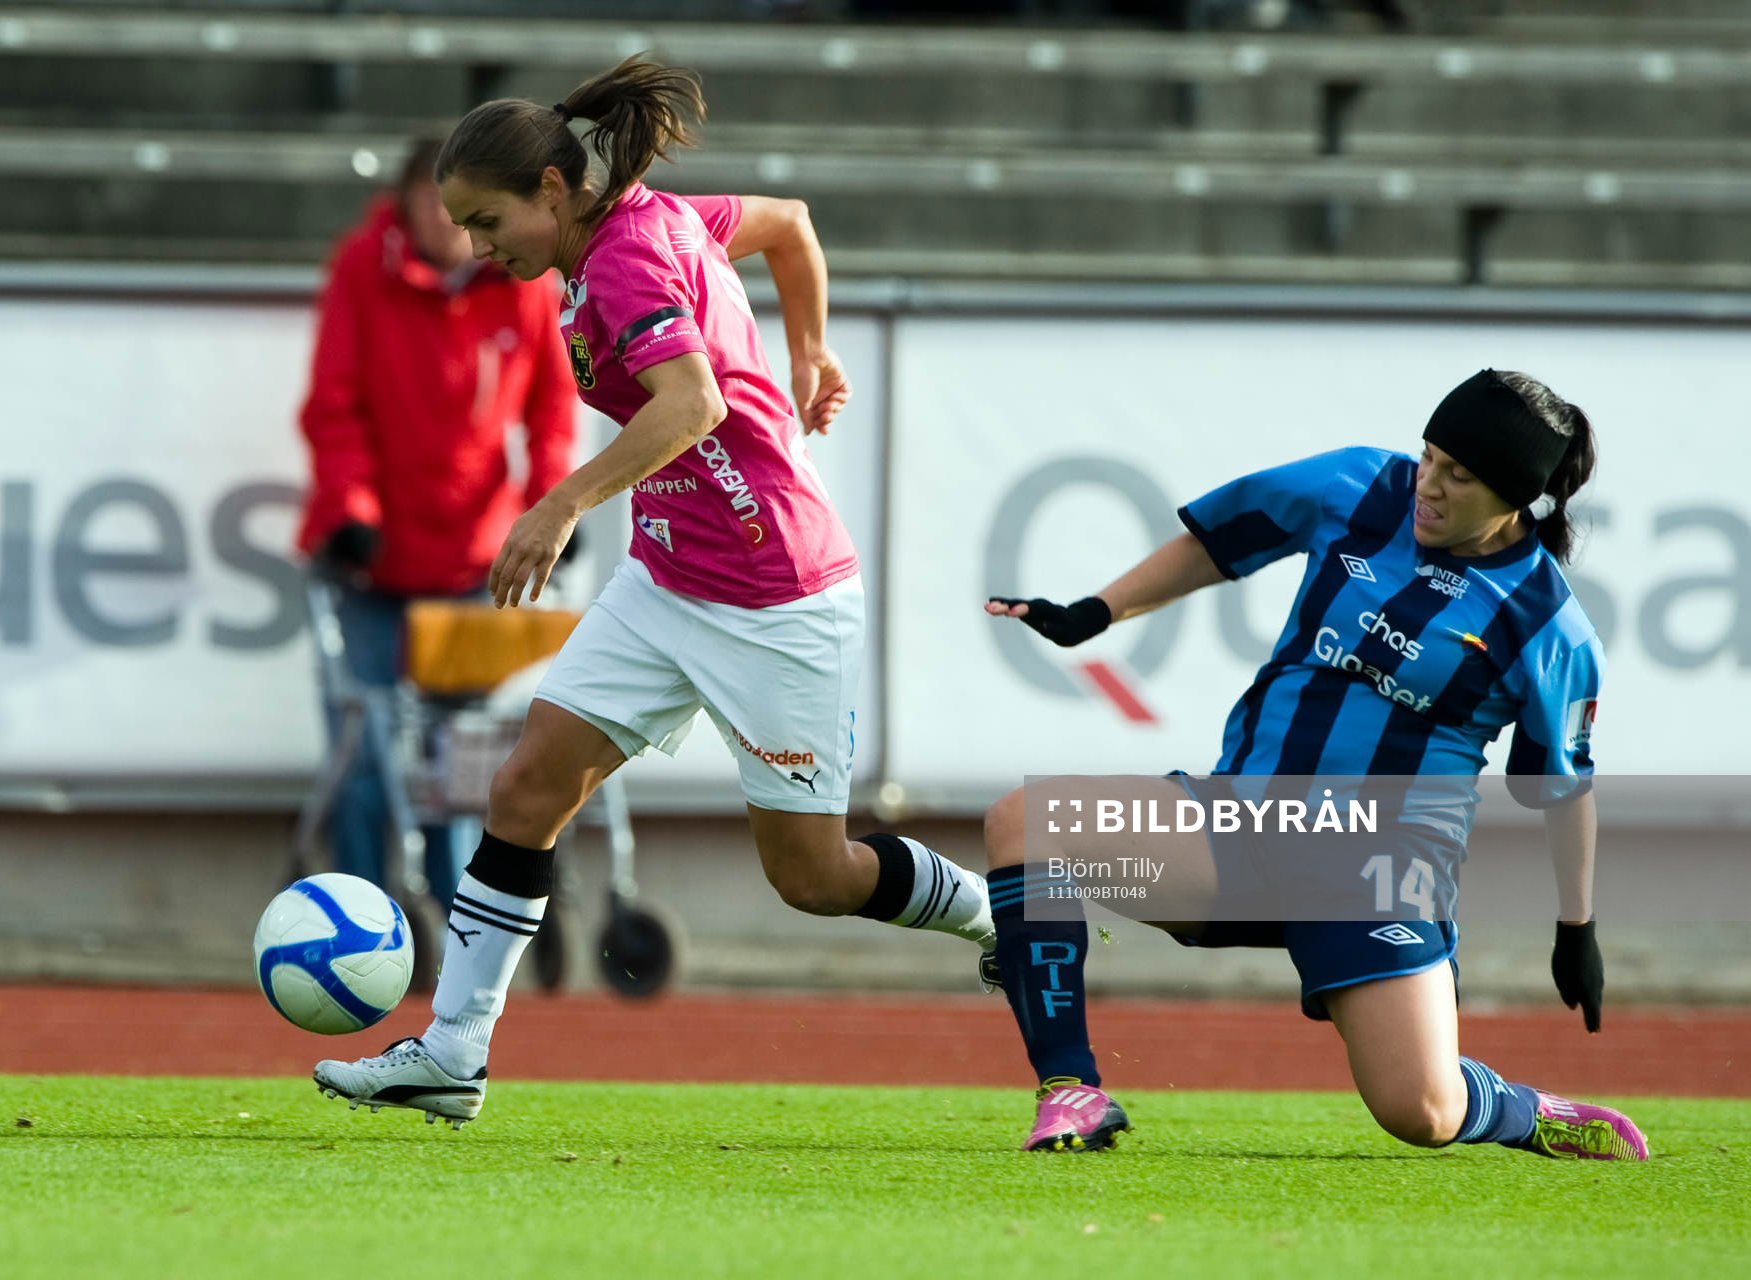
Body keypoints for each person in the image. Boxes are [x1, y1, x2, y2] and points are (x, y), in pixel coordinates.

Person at [312, 58, 994, 1126]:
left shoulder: (628, 258)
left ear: (550, 191)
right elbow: (789, 222)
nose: (481, 249)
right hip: (670, 577)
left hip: (775, 593)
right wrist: (811, 349)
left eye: (489, 222)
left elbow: (691, 405)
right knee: (528, 787)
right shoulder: (653, 216)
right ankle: (451, 1052)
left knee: (812, 875)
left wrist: (560, 503)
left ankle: (1005, 918)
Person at [982, 369, 1649, 1160]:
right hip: (1240, 826)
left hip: (1374, 869)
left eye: (1458, 477)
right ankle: (1073, 1091)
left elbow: (1562, 788)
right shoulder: (1360, 485)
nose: (1428, 486)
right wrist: (1097, 611)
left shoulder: (1549, 626)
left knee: (1422, 1113)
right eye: (1429, 457)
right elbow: (1217, 542)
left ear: (1514, 498)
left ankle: (1518, 1107)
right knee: (1026, 821)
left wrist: (1578, 927)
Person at [295, 137, 579, 908]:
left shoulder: (520, 277)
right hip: (373, 564)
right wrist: (353, 510)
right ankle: (354, 915)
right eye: (430, 199)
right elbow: (334, 406)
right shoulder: (363, 269)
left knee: (464, 765)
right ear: (408, 202)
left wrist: (556, 502)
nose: (446, 220)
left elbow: (553, 409)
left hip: (473, 560)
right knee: (364, 759)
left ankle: (463, 924)